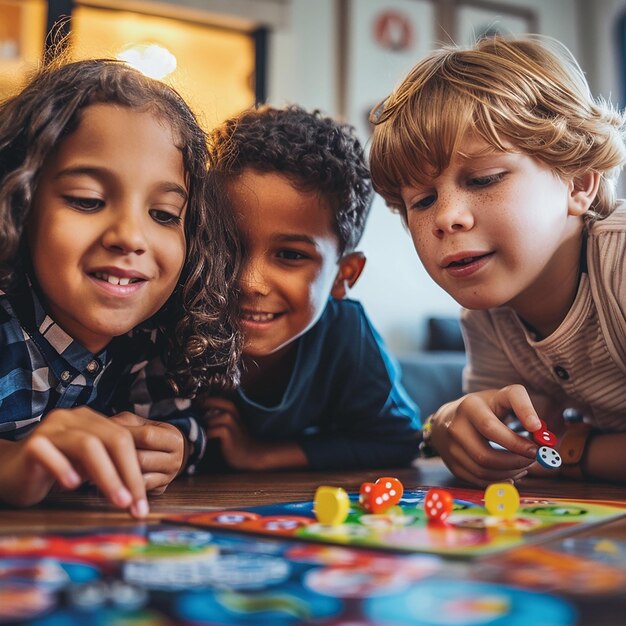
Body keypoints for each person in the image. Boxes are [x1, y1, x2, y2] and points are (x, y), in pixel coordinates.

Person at [368, 35, 626, 485]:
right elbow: (516, 434)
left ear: (578, 183)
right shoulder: (488, 315)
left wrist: (574, 452)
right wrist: (447, 425)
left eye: (484, 179)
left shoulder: (619, 260)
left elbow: (552, 452)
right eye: (423, 201)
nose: (447, 217)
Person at [0, 58, 241, 515]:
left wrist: (173, 449)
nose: (130, 236)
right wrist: (12, 464)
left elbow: (185, 427)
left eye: (165, 215)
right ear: (19, 203)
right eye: (87, 201)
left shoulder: (151, 342)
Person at [196, 105, 421, 471]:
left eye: (289, 255)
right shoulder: (175, 315)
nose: (248, 282)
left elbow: (399, 439)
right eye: (226, 245)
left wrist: (261, 455)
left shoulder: (346, 334)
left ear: (343, 275)